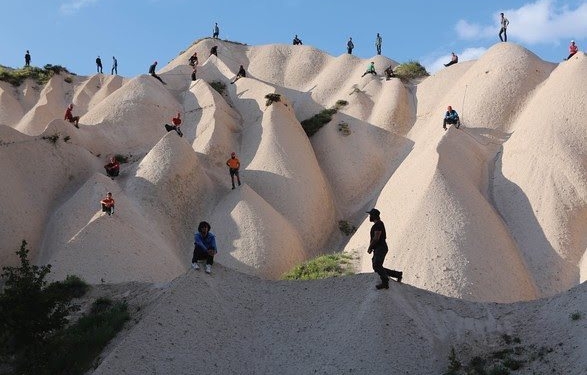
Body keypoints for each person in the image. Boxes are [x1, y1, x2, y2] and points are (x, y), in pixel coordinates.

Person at [366, 208, 402, 290]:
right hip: (379, 248)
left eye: (370, 215)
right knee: (376, 266)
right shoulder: (378, 224)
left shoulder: (378, 224)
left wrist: (370, 247)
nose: (369, 217)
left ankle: (385, 282)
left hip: (381, 247)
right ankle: (397, 274)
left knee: (377, 265)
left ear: (374, 216)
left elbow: (376, 237)